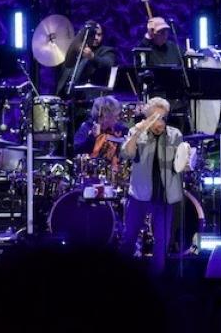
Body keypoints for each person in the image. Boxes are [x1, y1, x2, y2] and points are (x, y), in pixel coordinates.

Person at [120, 97, 183, 274]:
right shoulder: (137, 132)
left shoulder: (174, 135)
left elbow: (180, 162)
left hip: (163, 196)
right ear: (148, 117)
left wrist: (185, 162)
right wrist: (137, 133)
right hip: (140, 194)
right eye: (156, 118)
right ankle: (122, 276)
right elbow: (126, 153)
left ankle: (157, 279)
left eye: (163, 117)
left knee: (162, 240)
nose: (160, 122)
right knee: (129, 237)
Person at [74, 95, 128, 184]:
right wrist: (92, 138)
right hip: (92, 176)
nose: (117, 118)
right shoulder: (87, 127)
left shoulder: (120, 129)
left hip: (116, 176)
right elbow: (76, 150)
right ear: (105, 116)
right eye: (115, 115)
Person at [57, 21, 117, 96]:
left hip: (89, 98)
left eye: (99, 35)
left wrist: (92, 57)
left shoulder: (106, 51)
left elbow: (108, 64)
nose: (96, 38)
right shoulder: (76, 50)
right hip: (67, 97)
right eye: (93, 35)